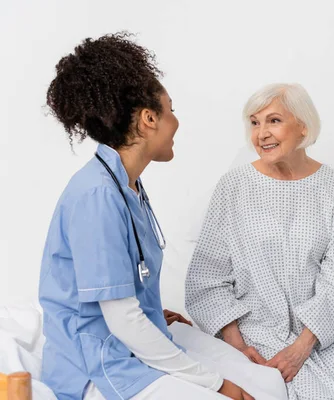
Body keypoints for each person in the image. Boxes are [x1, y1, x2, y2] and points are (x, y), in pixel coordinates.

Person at [38, 32, 261, 400]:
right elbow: (120, 317)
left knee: (264, 383)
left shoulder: (126, 185)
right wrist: (216, 384)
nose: (176, 122)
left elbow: (124, 289)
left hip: (127, 338)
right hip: (97, 364)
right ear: (147, 120)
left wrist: (149, 310)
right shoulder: (97, 195)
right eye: (171, 110)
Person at [185, 83, 334, 399]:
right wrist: (238, 348)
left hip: (319, 336)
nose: (261, 134)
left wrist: (300, 348)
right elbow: (207, 280)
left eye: (273, 121)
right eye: (254, 123)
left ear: (303, 125)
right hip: (250, 335)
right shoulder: (234, 187)